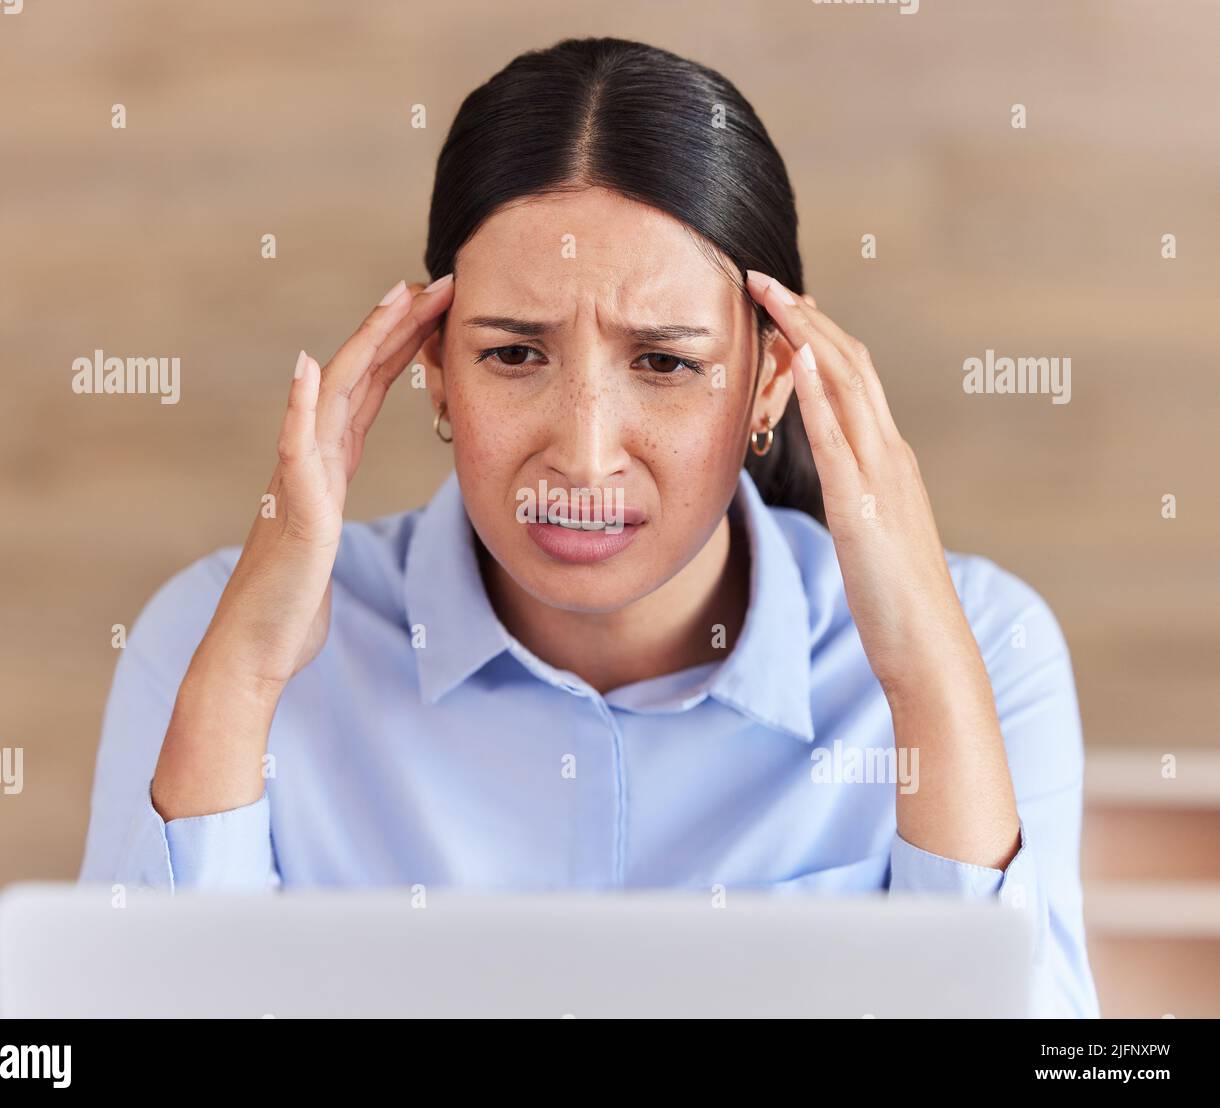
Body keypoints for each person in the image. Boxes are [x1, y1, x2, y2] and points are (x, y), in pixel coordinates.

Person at [79, 36, 1100, 1018]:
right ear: (431, 366)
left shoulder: (985, 645)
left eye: (663, 362)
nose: (582, 452)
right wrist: (242, 680)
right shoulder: (210, 640)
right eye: (515, 356)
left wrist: (926, 673)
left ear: (771, 377)